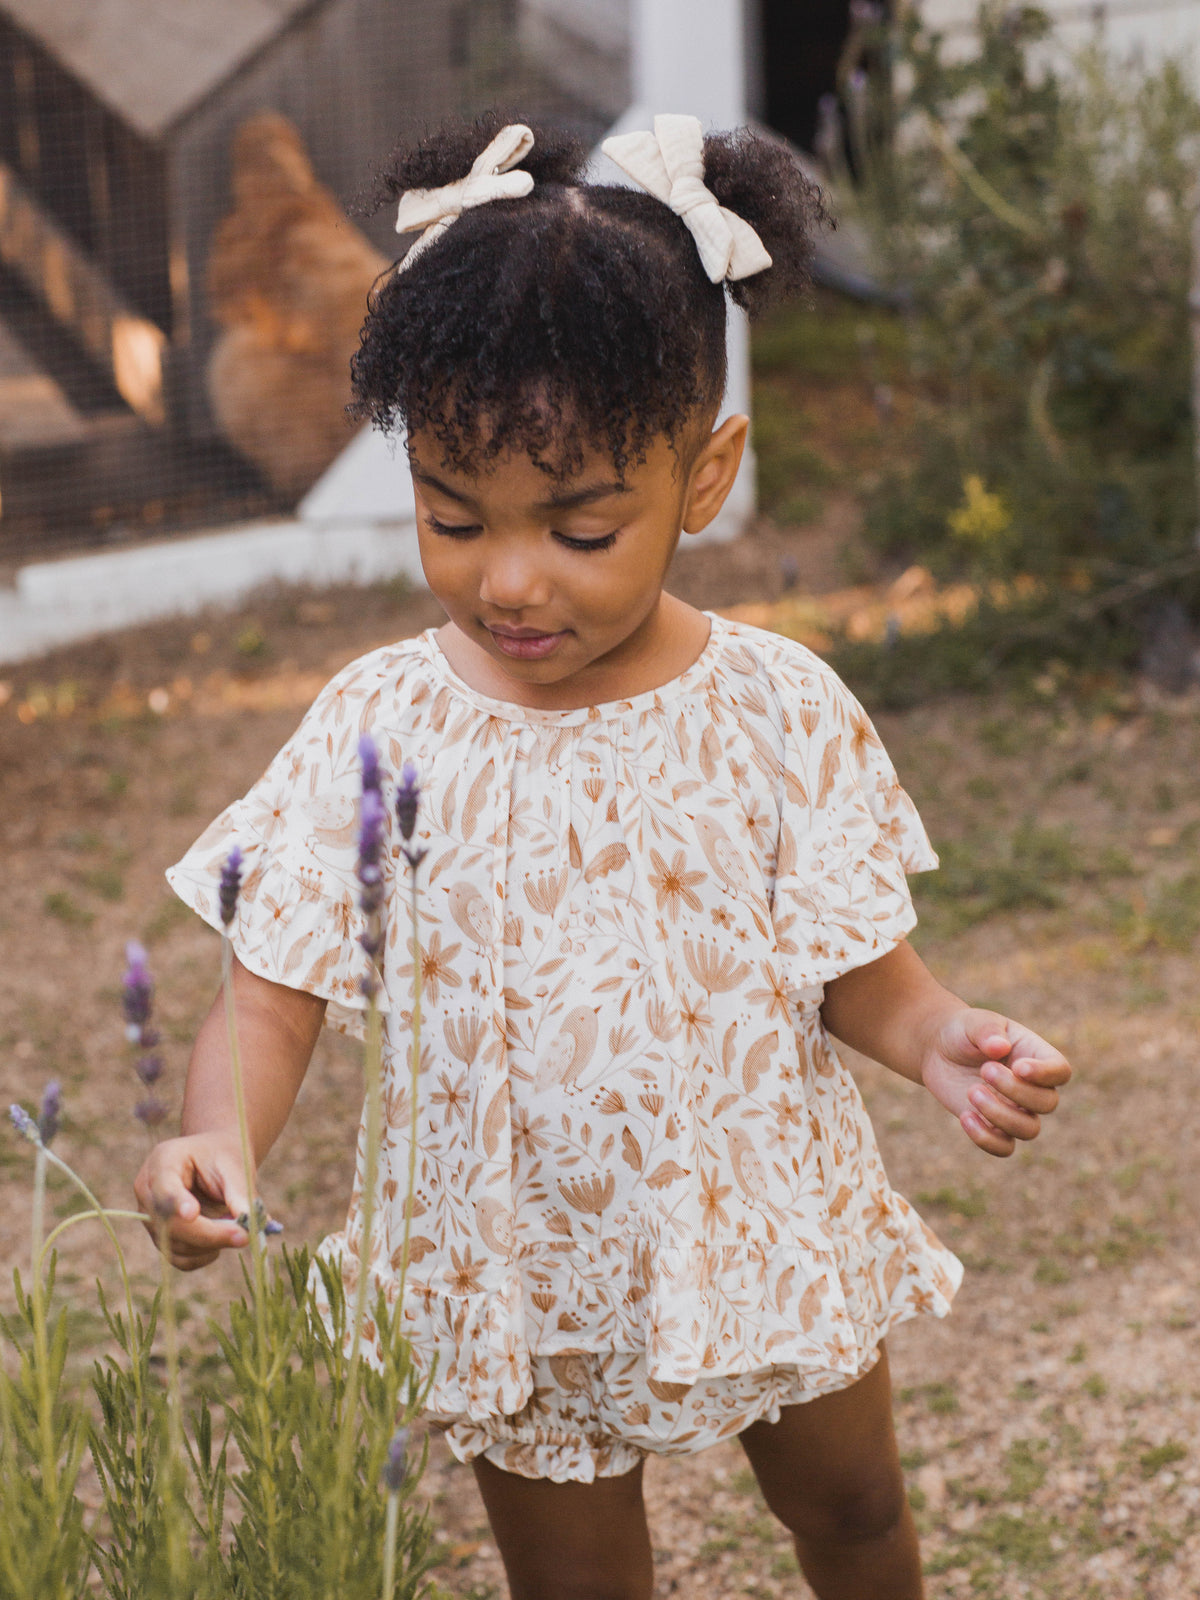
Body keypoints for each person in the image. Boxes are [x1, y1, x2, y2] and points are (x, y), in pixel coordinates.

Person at [136, 112, 1071, 1600]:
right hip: (511, 1267)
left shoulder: (772, 708)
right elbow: (271, 994)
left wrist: (942, 1039)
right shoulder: (381, 726)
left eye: (579, 530)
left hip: (755, 1212)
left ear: (704, 477)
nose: (509, 579)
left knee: (853, 1510)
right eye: (453, 516)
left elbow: (856, 972)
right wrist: (221, 1140)